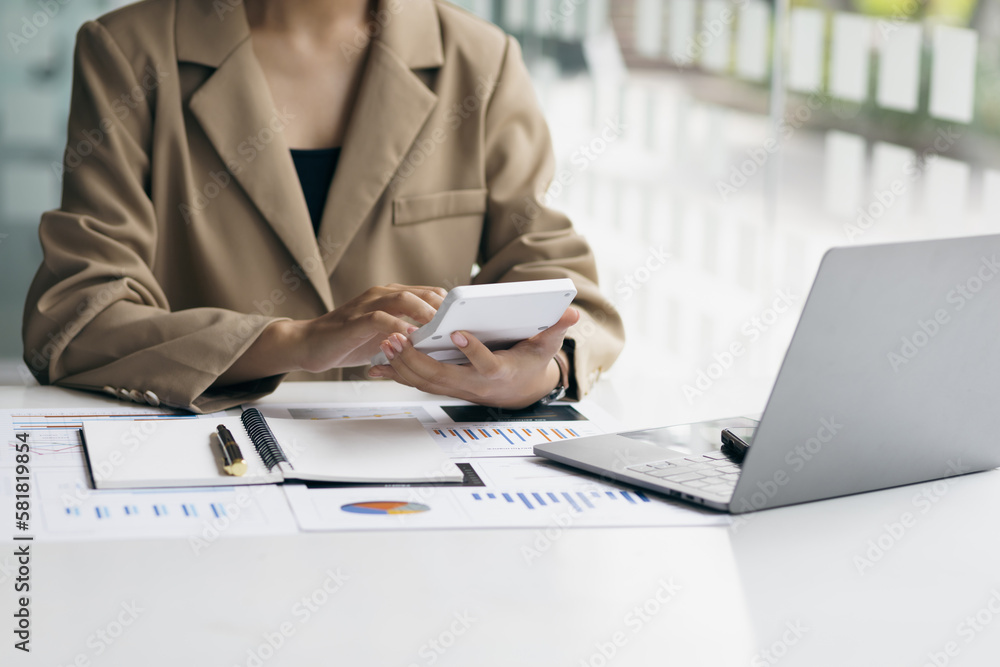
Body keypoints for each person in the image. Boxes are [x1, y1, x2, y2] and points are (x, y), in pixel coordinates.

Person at [22, 0, 624, 414]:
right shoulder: (128, 53)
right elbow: (75, 321)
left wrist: (541, 374)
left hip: (420, 475)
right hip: (216, 466)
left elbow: (564, 287)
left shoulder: (481, 61)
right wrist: (293, 341)